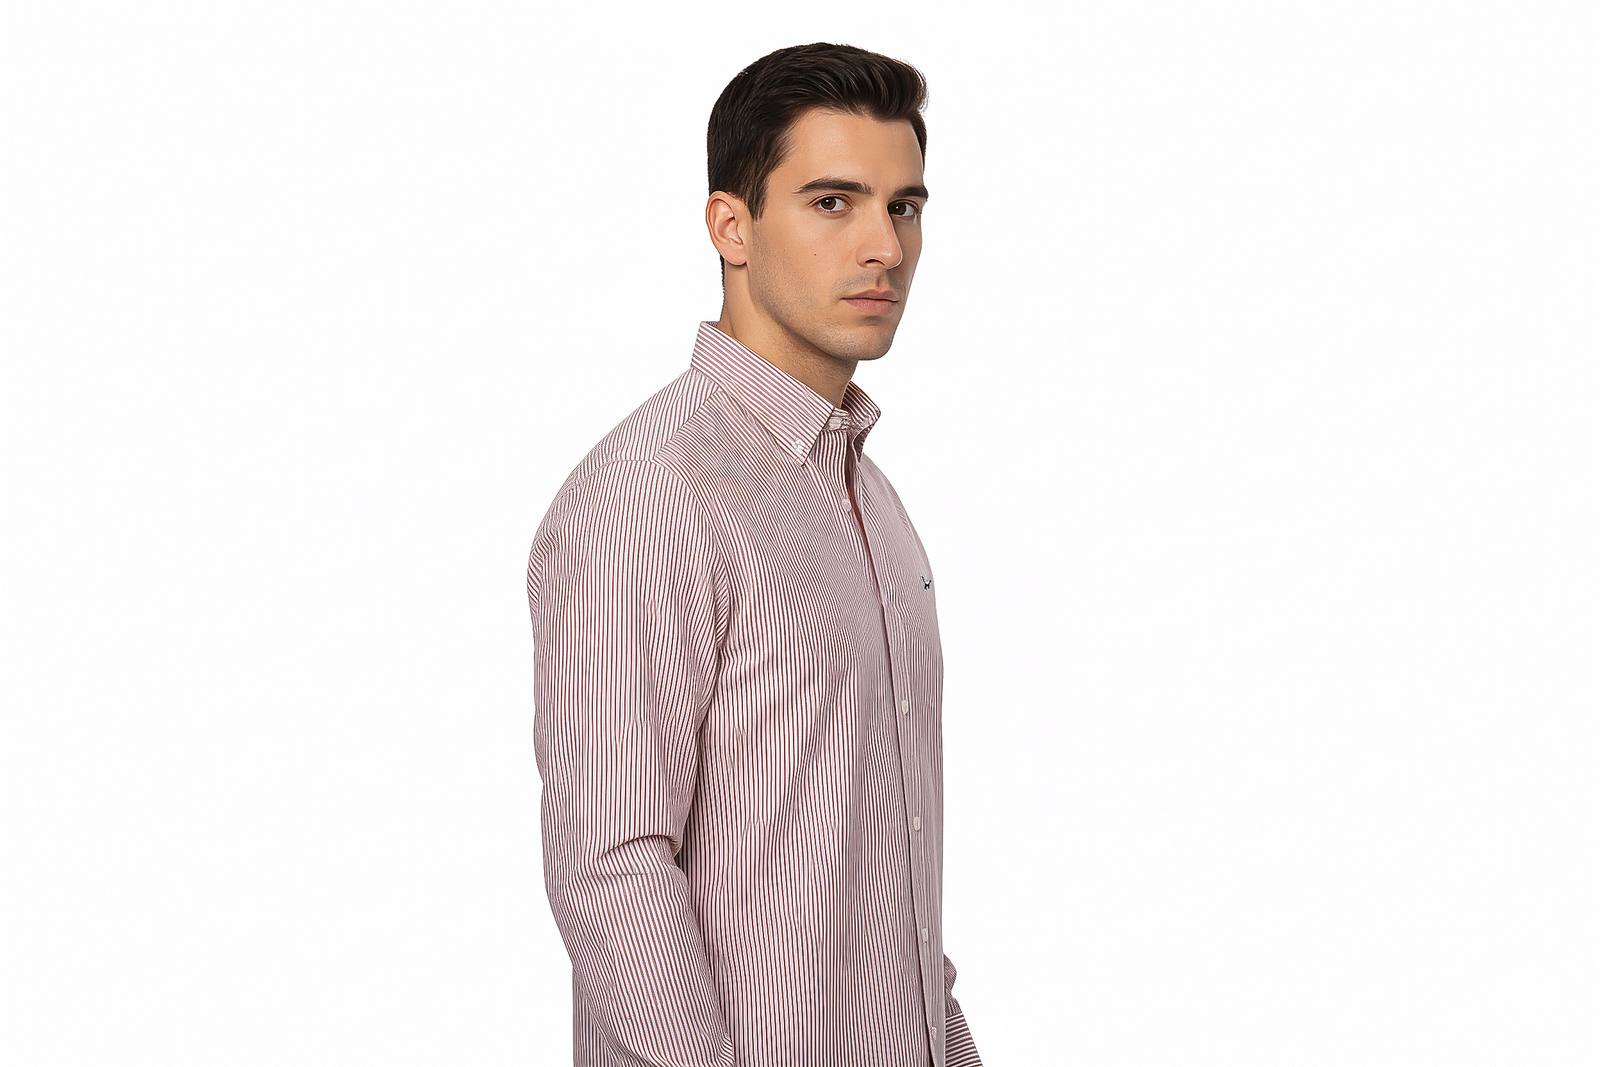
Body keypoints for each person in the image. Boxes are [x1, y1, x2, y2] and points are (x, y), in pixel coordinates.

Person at [526, 42, 982, 1067]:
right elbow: (610, 867)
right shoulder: (652, 492)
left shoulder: (871, 498)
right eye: (833, 202)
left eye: (904, 206)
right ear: (731, 226)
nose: (885, 247)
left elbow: (887, 859)